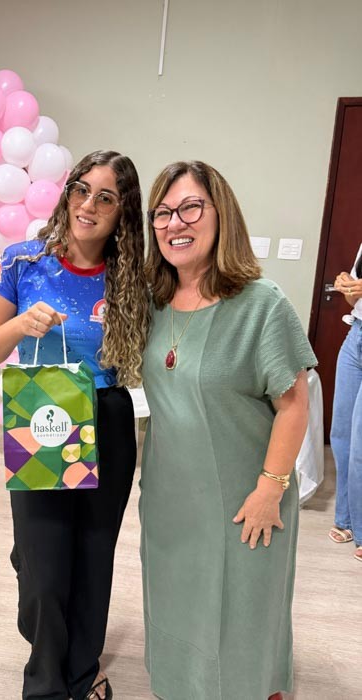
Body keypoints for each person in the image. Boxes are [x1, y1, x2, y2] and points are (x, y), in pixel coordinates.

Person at [0, 150, 149, 700]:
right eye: (80, 189)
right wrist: (20, 324)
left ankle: (80, 673)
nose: (88, 205)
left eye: (105, 197)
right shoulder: (22, 262)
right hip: (43, 415)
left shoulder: (133, 277)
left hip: (107, 417)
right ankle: (45, 683)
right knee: (44, 569)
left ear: (122, 212)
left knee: (93, 557)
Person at [139, 160, 317, 700]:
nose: (175, 223)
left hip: (246, 498)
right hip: (171, 495)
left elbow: (295, 406)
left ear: (222, 215)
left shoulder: (261, 303)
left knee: (243, 612)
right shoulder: (152, 302)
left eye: (190, 207)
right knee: (175, 600)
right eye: (163, 213)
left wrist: (271, 489)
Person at [329, 242, 362, 563]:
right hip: (356, 336)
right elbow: (355, 299)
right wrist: (347, 287)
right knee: (341, 436)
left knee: (361, 442)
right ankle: (347, 519)